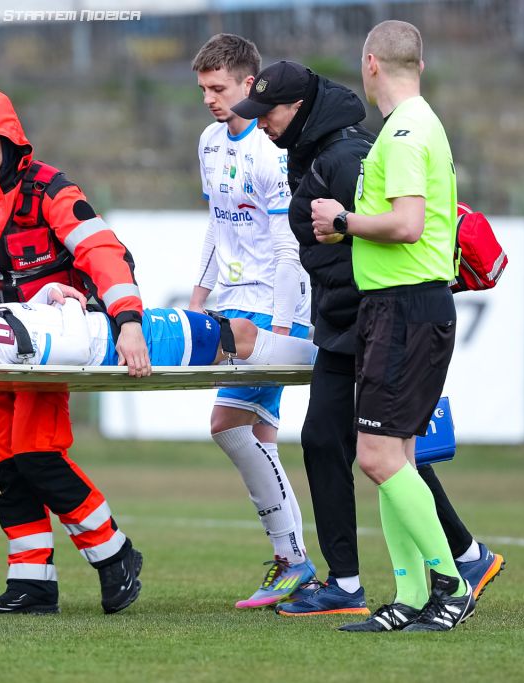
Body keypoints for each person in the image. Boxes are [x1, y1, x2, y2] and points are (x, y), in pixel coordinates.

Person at [231, 60, 505, 617]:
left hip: (373, 315)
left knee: (381, 450)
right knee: (355, 445)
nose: (260, 123)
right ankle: (443, 562)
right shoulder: (320, 150)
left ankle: (436, 571)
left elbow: (392, 231)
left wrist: (344, 233)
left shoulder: (352, 151)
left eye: (268, 112)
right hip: (347, 318)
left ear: (299, 109)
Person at [0, 90, 148, 615]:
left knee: (36, 456)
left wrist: (129, 321)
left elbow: (103, 253)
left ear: (10, 140)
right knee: (9, 467)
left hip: (48, 348)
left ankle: (114, 553)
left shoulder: (51, 189)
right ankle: (32, 583)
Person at [310, 20, 477, 632]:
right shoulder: (420, 123)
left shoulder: (404, 133)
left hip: (405, 308)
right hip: (403, 307)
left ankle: (451, 584)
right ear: (419, 65)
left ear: (370, 64)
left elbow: (407, 224)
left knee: (377, 456)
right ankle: (409, 596)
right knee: (393, 455)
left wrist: (343, 221)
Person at [189, 34, 318, 609]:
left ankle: (295, 559)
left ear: (249, 84)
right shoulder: (209, 142)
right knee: (258, 435)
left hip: (271, 305)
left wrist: (284, 328)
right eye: (203, 89)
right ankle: (292, 564)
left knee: (227, 426)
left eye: (219, 88)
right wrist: (199, 299)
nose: (210, 99)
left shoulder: (273, 151)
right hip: (230, 302)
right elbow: (217, 226)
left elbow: (289, 247)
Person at [0, 282, 318, 368]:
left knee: (233, 335)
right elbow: (67, 351)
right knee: (234, 335)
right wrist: (76, 311)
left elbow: (22, 326)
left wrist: (46, 294)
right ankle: (330, 362)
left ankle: (329, 359)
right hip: (117, 343)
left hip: (110, 331)